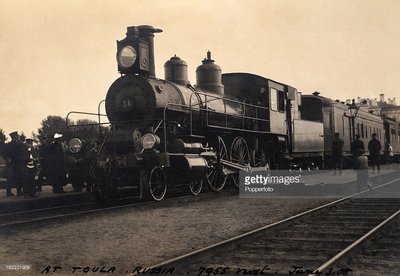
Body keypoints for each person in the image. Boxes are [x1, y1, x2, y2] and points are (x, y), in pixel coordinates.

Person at [3, 131, 23, 196]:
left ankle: (19, 192)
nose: (17, 137)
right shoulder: (8, 145)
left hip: (18, 164)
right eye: (16, 136)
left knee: (19, 178)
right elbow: (4, 154)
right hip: (11, 164)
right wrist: (7, 159)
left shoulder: (19, 144)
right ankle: (9, 193)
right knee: (10, 178)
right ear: (13, 137)